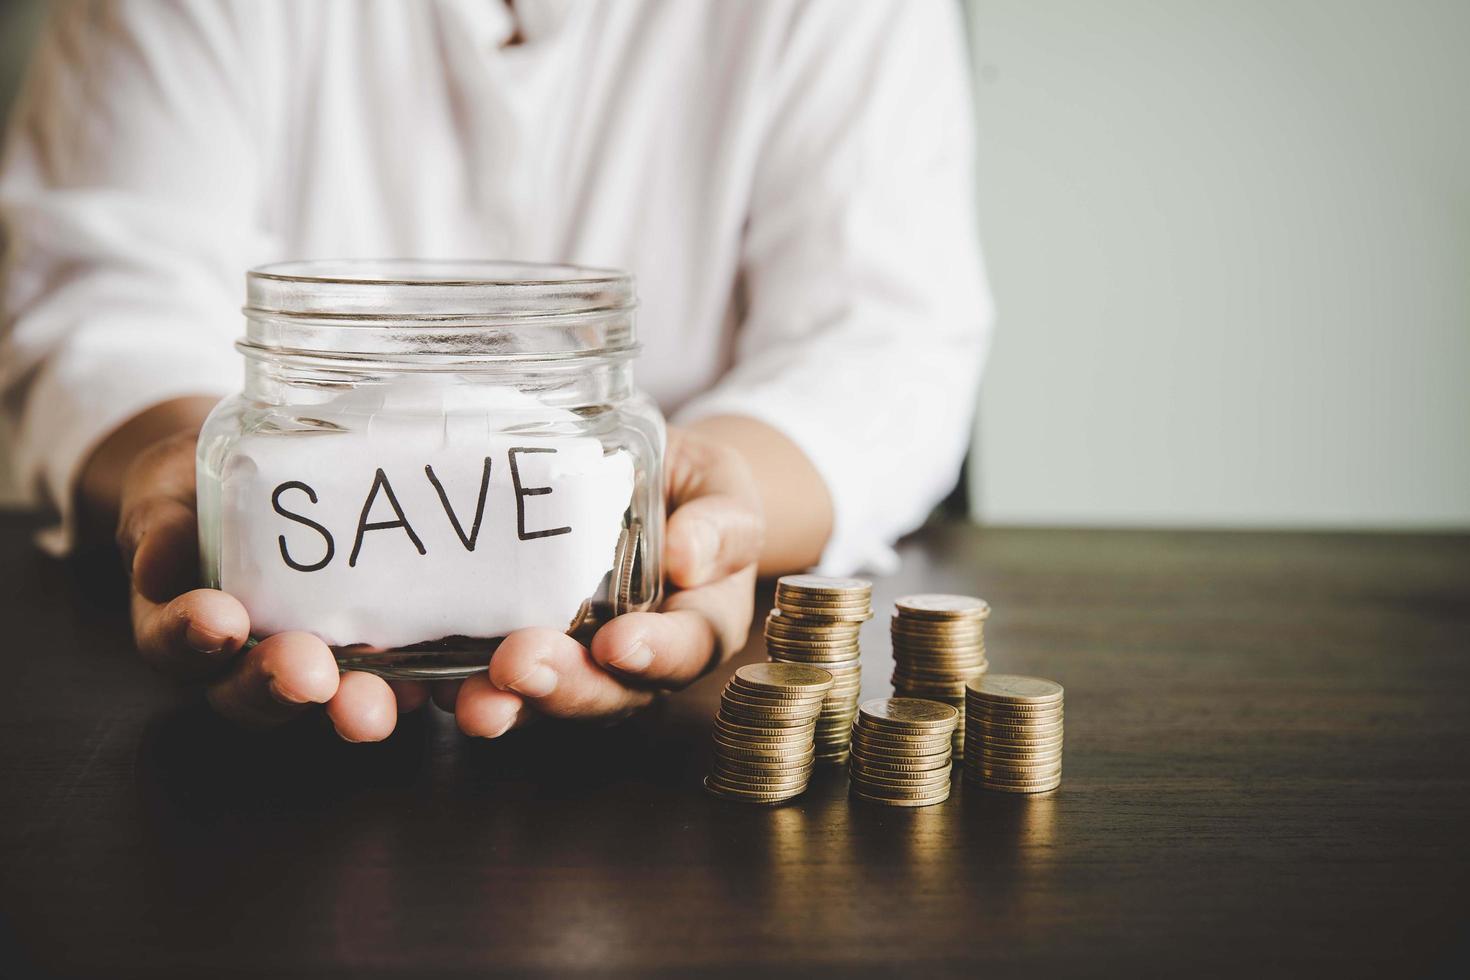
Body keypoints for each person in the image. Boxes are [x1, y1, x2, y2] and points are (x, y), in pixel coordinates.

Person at [0, 0, 991, 742]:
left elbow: (885, 335)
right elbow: (101, 291)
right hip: (246, 712)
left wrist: (702, 505)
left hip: (652, 690)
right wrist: (188, 478)